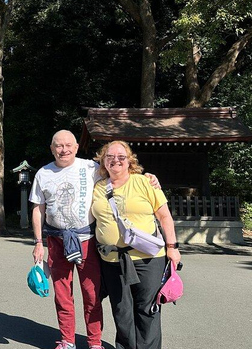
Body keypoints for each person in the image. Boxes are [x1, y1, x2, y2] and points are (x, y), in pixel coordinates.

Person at [30, 130, 160, 349]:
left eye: (68, 145)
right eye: (59, 146)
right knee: (62, 294)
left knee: (91, 294)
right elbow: (38, 208)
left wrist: (147, 177)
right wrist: (38, 242)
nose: (64, 150)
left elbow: (119, 173)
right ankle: (67, 340)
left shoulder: (91, 168)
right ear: (51, 149)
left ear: (76, 147)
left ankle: (94, 342)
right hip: (56, 239)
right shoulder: (43, 173)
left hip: (87, 239)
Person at [91, 141, 181, 349]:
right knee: (121, 310)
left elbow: (165, 216)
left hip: (148, 259)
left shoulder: (144, 182)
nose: (116, 161)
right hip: (112, 260)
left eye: (121, 157)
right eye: (110, 157)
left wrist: (172, 247)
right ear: (103, 162)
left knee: (147, 309)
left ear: (129, 161)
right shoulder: (98, 187)